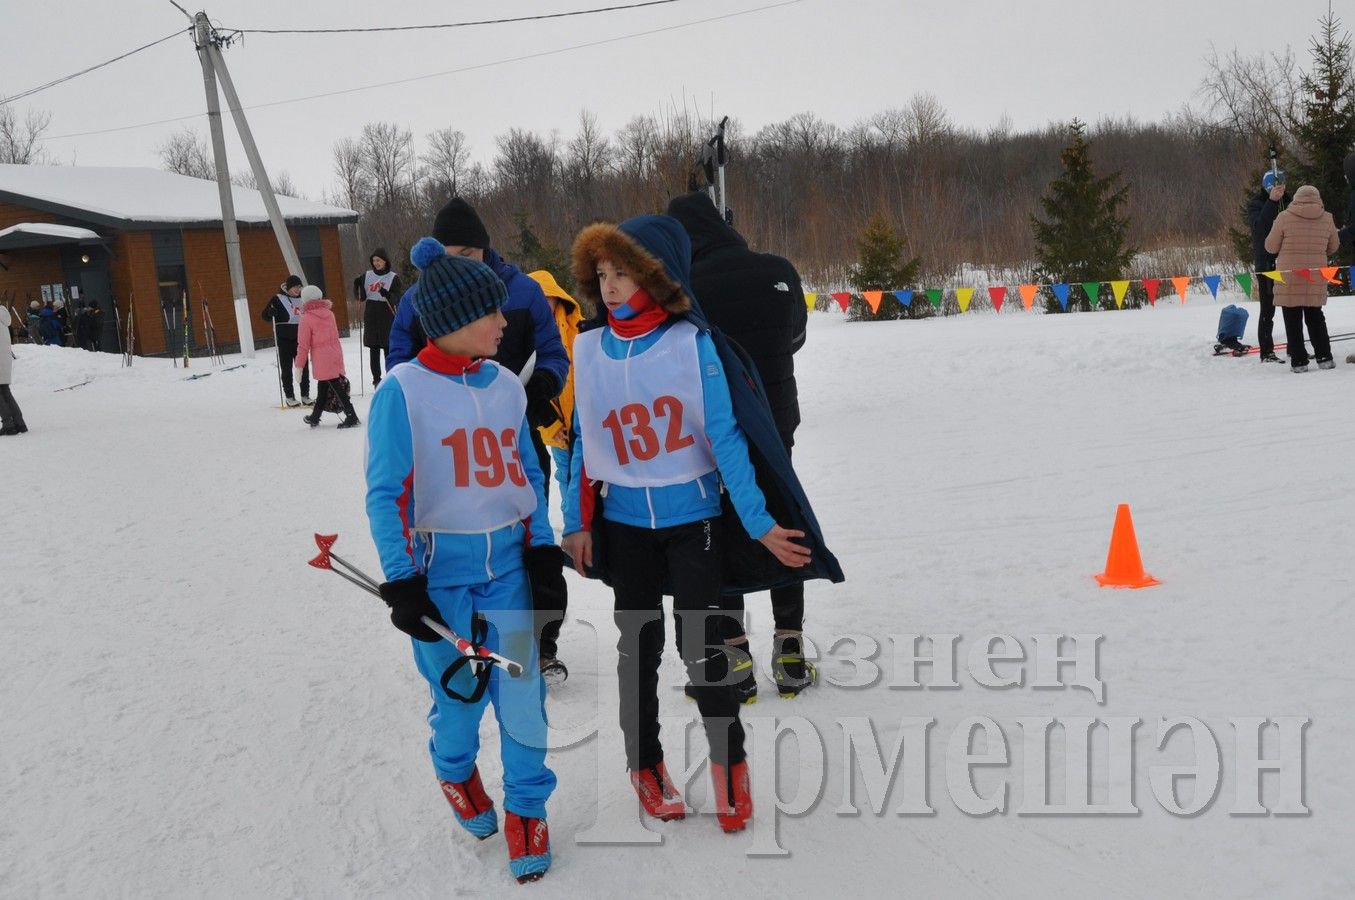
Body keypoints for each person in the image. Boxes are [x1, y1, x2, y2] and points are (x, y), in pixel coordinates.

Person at [561, 215, 811, 834]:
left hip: (692, 519)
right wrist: (576, 521)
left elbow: (725, 438)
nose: (611, 285)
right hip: (624, 525)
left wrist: (757, 523)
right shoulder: (588, 347)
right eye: (603, 275)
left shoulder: (690, 343)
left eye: (624, 273)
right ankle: (644, 765)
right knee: (638, 649)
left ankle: (731, 766)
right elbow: (581, 443)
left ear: (657, 278)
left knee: (704, 648)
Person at [365, 239, 556, 884]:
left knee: (524, 698)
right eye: (493, 315)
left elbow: (528, 471)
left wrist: (544, 548)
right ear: (453, 323)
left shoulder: (505, 386)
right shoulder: (403, 392)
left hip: (506, 571)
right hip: (439, 580)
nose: (505, 324)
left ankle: (528, 809)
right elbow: (385, 492)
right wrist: (401, 581)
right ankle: (454, 769)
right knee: (461, 702)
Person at [667, 191, 815, 702]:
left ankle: (734, 661)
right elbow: (796, 336)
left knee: (722, 531)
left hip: (713, 433)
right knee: (784, 522)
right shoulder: (777, 269)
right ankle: (790, 649)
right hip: (777, 423)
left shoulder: (684, 288)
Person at [524, 269, 583, 686]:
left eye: (546, 298)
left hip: (585, 420)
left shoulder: (578, 330)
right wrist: (549, 427)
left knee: (581, 481)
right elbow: (533, 394)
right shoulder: (522, 335)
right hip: (551, 430)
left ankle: (544, 647)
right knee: (564, 477)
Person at [1265, 184, 1341, 373]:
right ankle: (1325, 358)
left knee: (1292, 319)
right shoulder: (1327, 218)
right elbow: (1334, 247)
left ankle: (1299, 362)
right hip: (1315, 276)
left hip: (1289, 277)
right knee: (1316, 317)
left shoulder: (1283, 217)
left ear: (1296, 199)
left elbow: (1270, 247)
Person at [293, 285, 359, 429]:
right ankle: (315, 417)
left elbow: (303, 345)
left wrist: (299, 365)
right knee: (323, 386)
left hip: (321, 357)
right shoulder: (329, 314)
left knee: (335, 385)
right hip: (335, 353)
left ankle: (351, 415)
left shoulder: (306, 318)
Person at [1247, 170, 1290, 363]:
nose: (1280, 190)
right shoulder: (1256, 203)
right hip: (1267, 263)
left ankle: (1295, 347)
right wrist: (1272, 202)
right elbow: (1259, 228)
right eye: (1275, 187)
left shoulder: (1288, 201)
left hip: (1288, 262)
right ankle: (1267, 351)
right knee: (1268, 309)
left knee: (1293, 307)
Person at [260, 275, 311, 406]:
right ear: (288, 287)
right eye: (295, 287)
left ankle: (305, 395)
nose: (297, 290)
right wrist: (270, 312)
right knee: (287, 368)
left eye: (300, 287)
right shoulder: (277, 299)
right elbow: (265, 316)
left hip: (301, 339)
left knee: (303, 368)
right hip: (284, 340)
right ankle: (290, 396)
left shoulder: (303, 299)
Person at [359, 249, 402, 387]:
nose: (376, 263)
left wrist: (387, 294)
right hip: (371, 315)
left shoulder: (393, 277)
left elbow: (396, 298)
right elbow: (361, 296)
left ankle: (390, 376)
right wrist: (357, 286)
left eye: (378, 260)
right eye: (374, 260)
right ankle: (376, 379)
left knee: (387, 348)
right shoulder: (367, 275)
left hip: (386, 315)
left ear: (385, 261)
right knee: (374, 348)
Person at [0, 306, 27, 436]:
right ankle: (20, 423)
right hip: (4, 361)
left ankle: (8, 425)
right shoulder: (3, 316)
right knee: (6, 392)